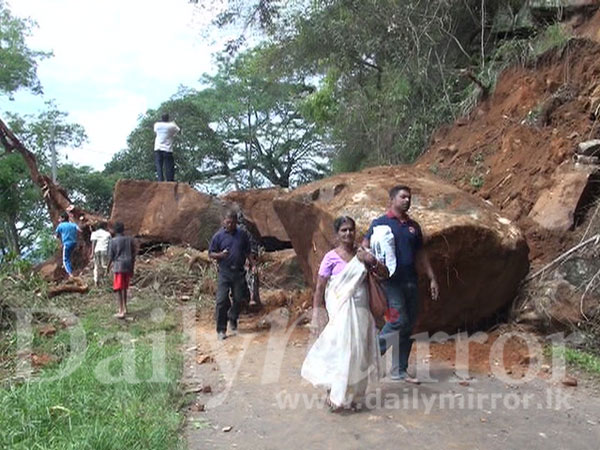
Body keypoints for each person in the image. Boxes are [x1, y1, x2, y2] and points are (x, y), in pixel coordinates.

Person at [301, 216, 385, 412]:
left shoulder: (364, 254)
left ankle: (354, 395)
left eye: (351, 230)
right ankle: (335, 393)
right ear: (337, 234)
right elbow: (320, 287)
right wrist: (316, 313)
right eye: (344, 230)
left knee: (359, 352)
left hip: (362, 308)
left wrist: (371, 261)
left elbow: (385, 273)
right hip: (340, 309)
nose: (348, 233)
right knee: (342, 349)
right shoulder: (330, 257)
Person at [363, 185, 439, 383]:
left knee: (409, 324)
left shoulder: (414, 226)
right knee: (397, 320)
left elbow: (421, 254)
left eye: (409, 197)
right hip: (390, 283)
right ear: (392, 199)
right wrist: (372, 268)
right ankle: (367, 358)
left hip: (411, 281)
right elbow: (365, 247)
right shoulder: (380, 223)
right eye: (403, 197)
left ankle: (399, 370)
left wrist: (432, 277)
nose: (407, 200)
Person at [209, 210, 256, 340]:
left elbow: (248, 251)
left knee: (239, 298)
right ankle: (221, 330)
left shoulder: (242, 235)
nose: (229, 224)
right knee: (221, 300)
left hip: (239, 272)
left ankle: (233, 317)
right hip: (224, 272)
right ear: (224, 221)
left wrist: (253, 265)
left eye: (231, 222)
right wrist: (220, 255)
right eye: (227, 222)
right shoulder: (218, 236)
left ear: (236, 222)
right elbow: (211, 253)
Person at [106, 222, 136, 319]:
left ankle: (121, 310)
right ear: (123, 230)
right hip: (128, 265)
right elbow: (133, 254)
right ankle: (125, 307)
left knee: (119, 288)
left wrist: (108, 267)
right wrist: (132, 267)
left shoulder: (113, 241)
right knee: (125, 288)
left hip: (119, 266)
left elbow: (111, 256)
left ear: (114, 230)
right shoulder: (129, 240)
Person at [153, 113, 180, 182]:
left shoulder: (157, 125)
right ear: (168, 118)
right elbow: (178, 130)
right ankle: (169, 181)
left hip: (158, 148)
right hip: (167, 149)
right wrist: (173, 122)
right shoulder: (171, 126)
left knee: (159, 166)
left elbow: (155, 131)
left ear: (161, 118)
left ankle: (160, 180)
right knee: (169, 166)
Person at [55, 211, 81, 277]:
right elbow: (80, 230)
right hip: (74, 243)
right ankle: (69, 268)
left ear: (63, 218)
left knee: (65, 259)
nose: (59, 220)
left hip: (67, 243)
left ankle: (70, 274)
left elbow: (56, 235)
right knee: (69, 257)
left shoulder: (60, 225)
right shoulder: (73, 224)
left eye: (60, 218)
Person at [90, 221, 111, 286]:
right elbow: (110, 244)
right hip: (104, 250)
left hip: (97, 250)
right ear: (104, 227)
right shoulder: (107, 234)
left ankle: (96, 281)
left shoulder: (94, 233)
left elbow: (93, 243)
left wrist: (92, 252)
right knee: (104, 265)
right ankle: (104, 281)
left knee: (96, 266)